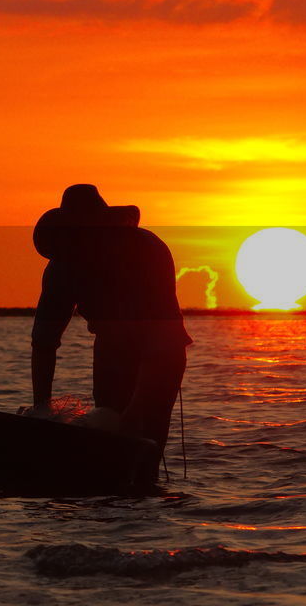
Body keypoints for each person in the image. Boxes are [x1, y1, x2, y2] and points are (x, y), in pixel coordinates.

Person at [28, 184, 191, 467]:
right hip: (111, 350)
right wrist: (41, 408)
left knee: (143, 436)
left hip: (162, 350)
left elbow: (162, 338)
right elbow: (44, 341)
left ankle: (144, 488)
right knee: (107, 427)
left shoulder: (147, 250)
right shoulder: (63, 265)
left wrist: (138, 407)